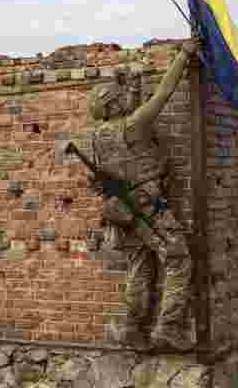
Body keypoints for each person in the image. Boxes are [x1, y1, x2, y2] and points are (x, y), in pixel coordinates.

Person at [84, 38, 199, 352]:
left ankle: (133, 328)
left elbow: (97, 179)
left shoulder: (95, 139)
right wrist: (183, 56)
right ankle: (168, 328)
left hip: (122, 211)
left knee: (140, 266)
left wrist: (133, 87)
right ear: (112, 106)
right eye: (119, 98)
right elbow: (163, 94)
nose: (125, 100)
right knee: (178, 260)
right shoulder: (132, 126)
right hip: (149, 205)